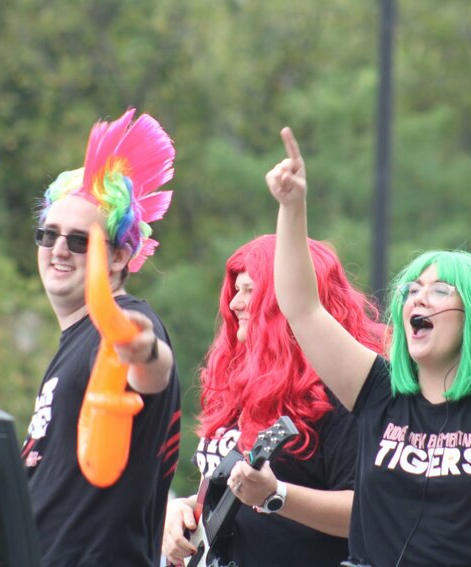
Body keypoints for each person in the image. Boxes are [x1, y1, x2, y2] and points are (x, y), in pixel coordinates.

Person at [266, 127, 471, 567]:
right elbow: (302, 309)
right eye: (412, 289)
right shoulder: (377, 393)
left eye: (440, 290)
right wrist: (292, 208)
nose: (418, 298)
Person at [162, 235, 387, 566]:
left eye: (250, 291)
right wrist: (180, 511)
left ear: (291, 297)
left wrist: (276, 495)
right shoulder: (238, 387)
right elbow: (232, 500)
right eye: (236, 291)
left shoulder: (341, 391)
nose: (235, 304)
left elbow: (373, 512)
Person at [21, 108, 182, 567]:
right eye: (48, 234)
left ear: (118, 257)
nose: (58, 249)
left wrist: (142, 350)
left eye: (78, 240)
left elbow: (153, 368)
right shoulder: (74, 340)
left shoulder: (125, 321)